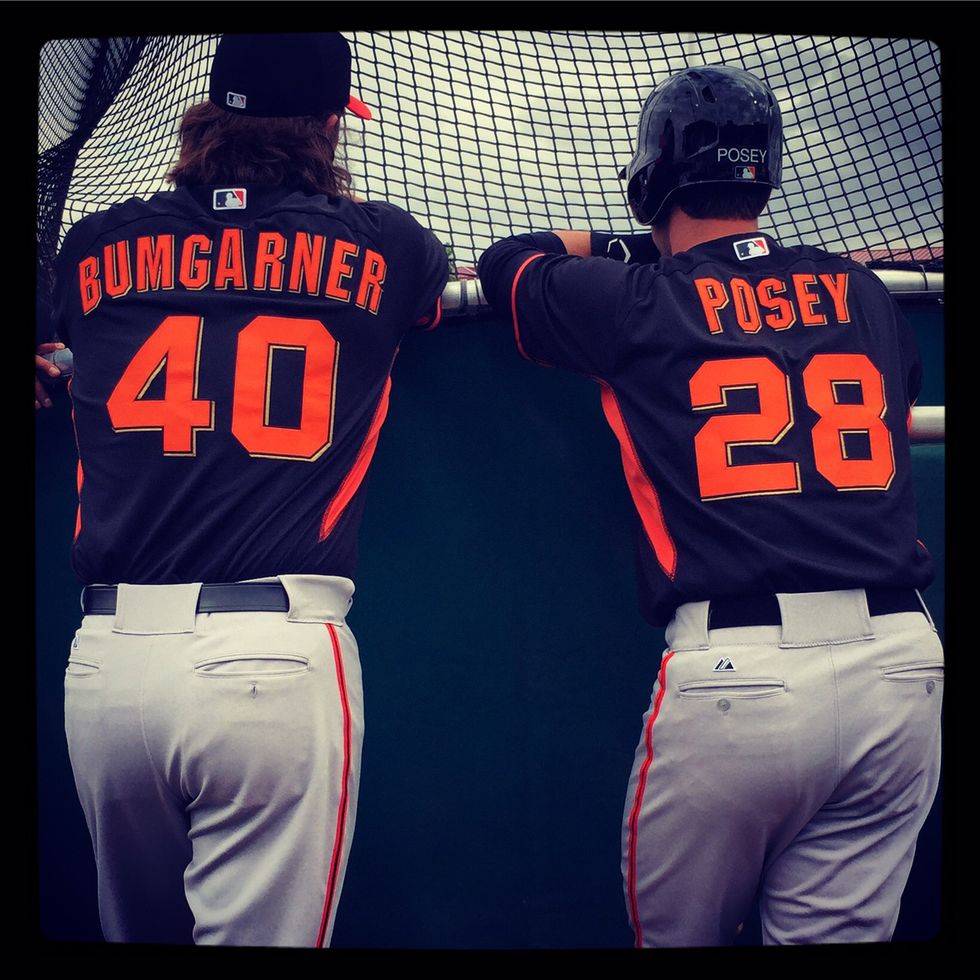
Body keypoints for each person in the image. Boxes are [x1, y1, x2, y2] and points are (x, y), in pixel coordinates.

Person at [478, 65, 942, 946]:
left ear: (652, 176)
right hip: (900, 666)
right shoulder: (864, 293)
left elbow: (511, 263)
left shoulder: (638, 298)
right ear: (762, 174)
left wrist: (626, 247)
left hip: (741, 674)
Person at [45, 32, 448, 947]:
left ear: (206, 120)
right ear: (324, 129)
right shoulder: (383, 244)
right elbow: (434, 300)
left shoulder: (96, 242)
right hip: (269, 658)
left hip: (108, 668)